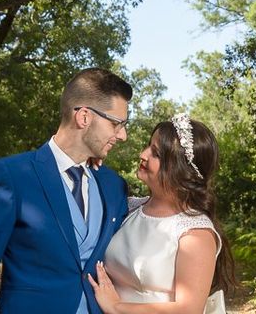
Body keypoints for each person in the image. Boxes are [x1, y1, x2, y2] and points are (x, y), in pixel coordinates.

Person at [0, 68, 133, 314]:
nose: (123, 135)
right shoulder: (13, 175)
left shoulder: (112, 185)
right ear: (84, 117)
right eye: (116, 124)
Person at [88, 113, 235, 314]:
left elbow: (188, 309)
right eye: (149, 145)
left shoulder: (195, 234)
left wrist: (116, 307)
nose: (143, 154)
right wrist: (89, 161)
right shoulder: (129, 208)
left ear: (180, 170)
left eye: (155, 153)